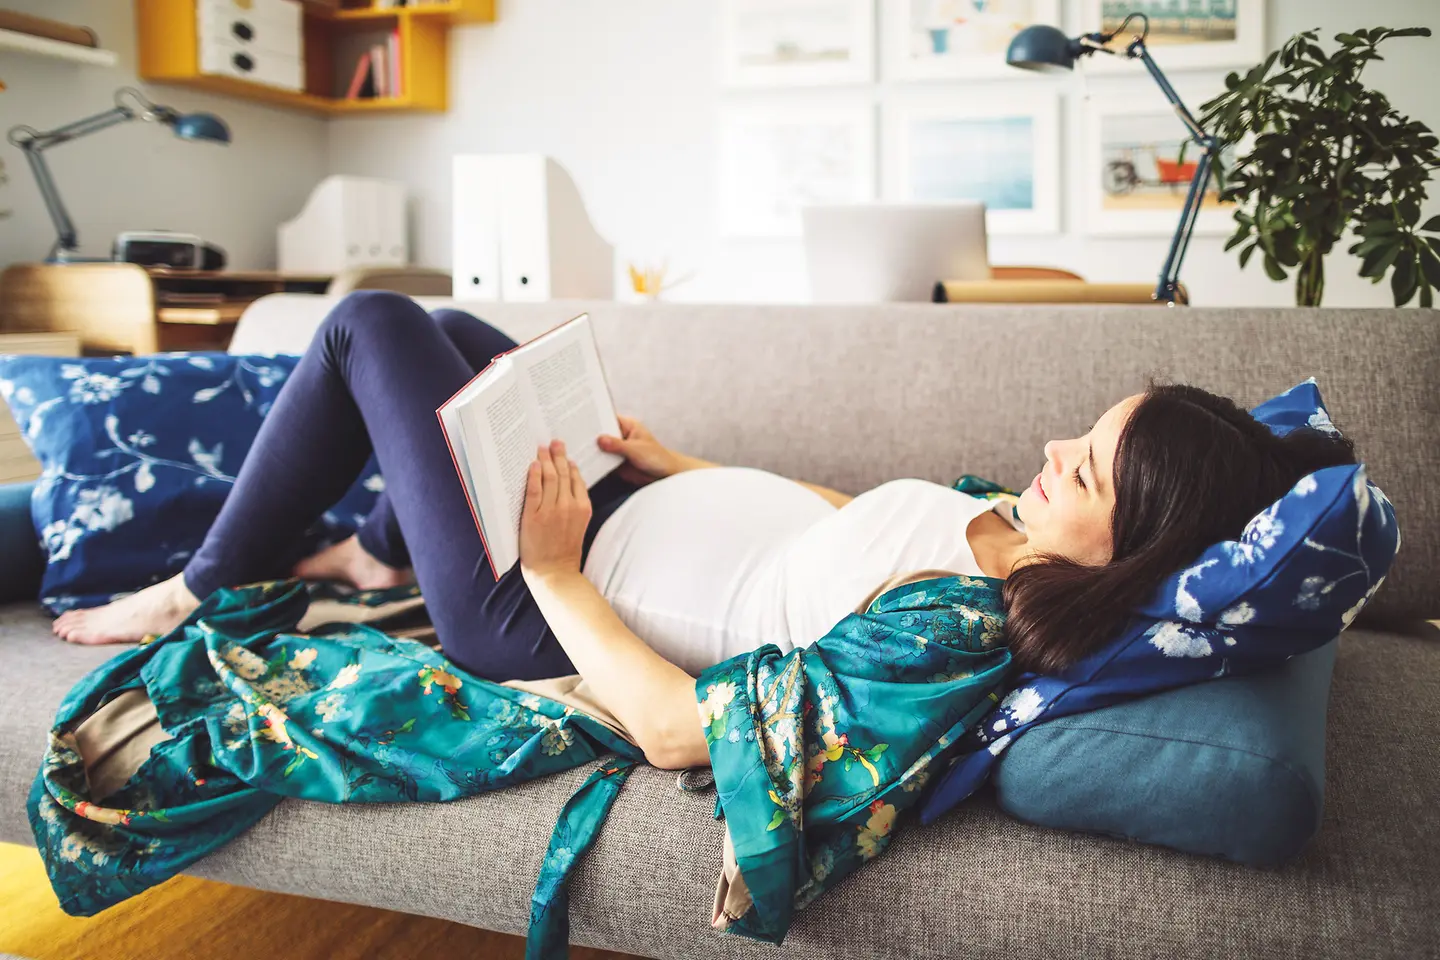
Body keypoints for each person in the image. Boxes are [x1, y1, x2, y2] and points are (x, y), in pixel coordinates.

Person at [51, 292, 1358, 770]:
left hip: (538, 603)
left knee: (372, 326)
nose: (1058, 452)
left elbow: (681, 732)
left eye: (1090, 472)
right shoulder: (1011, 528)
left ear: (1129, 549)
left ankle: (197, 588)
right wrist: (692, 464)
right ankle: (382, 551)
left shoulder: (955, 635)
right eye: (1089, 430)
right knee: (464, 347)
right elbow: (850, 523)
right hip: (628, 513)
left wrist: (554, 567)